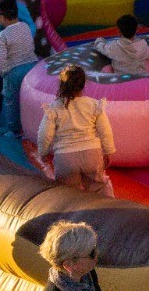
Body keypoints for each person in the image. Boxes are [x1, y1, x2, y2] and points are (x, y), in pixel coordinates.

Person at [37, 66, 117, 195]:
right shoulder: (93, 105)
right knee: (100, 187)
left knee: (68, 194)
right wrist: (109, 151)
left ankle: (69, 213)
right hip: (92, 154)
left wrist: (43, 151)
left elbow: (44, 133)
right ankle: (108, 211)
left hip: (65, 158)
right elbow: (105, 130)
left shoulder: (55, 108)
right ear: (84, 84)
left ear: (61, 85)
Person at [0, 0, 39, 134]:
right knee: (28, 100)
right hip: (31, 68)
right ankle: (31, 128)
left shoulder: (2, 36)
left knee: (11, 102)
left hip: (14, 71)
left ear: (2, 17)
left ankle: (14, 131)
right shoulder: (26, 27)